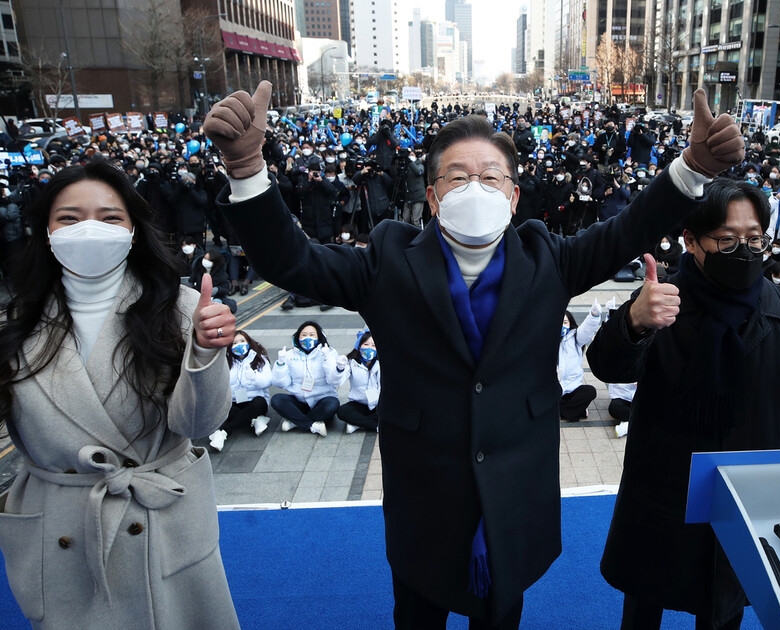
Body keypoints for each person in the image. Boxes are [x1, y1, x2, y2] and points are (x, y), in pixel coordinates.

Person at [204, 82, 744, 629]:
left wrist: (693, 166)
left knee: (501, 617)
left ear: (512, 196)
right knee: (418, 615)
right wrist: (247, 166)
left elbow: (629, 228)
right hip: (425, 494)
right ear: (434, 196)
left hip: (513, 493)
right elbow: (292, 260)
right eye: (458, 177)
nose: (475, 188)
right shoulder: (387, 260)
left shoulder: (548, 259)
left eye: (490, 177)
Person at [586, 178, 780, 630]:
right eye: (728, 240)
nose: (745, 250)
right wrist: (634, 322)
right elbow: (607, 365)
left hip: (749, 487)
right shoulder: (662, 303)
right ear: (691, 241)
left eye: (755, 239)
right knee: (644, 604)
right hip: (665, 486)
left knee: (725, 606)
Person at [0, 158, 239, 628]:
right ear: (45, 232)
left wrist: (206, 353)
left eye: (110, 218)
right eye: (69, 218)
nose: (90, 230)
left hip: (160, 522)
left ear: (134, 229)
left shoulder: (182, 307)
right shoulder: (15, 324)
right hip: (62, 524)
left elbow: (198, 425)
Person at [271, 321, 342, 436]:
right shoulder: (289, 355)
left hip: (322, 400)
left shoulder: (329, 352)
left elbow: (334, 380)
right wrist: (280, 364)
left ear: (319, 336)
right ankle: (312, 424)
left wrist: (328, 359)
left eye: (312, 335)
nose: (307, 338)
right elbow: (281, 384)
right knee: (277, 399)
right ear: (297, 337)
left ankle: (295, 422)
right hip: (299, 400)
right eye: (304, 335)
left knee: (332, 404)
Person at [209, 331, 273, 451]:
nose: (239, 345)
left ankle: (224, 433)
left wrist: (254, 377)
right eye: (234, 343)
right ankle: (254, 420)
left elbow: (268, 381)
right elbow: (219, 383)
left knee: (259, 402)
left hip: (255, 401)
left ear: (249, 342)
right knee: (222, 408)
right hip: (234, 401)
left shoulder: (260, 359)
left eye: (242, 341)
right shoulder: (226, 361)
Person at [558, 301, 603, 421]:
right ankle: (572, 411)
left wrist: (593, 316)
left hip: (572, 388)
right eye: (559, 322)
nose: (562, 325)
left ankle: (560, 410)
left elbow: (586, 330)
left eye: (565, 322)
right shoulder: (546, 339)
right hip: (553, 388)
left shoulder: (575, 338)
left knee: (589, 391)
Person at [334, 330, 381, 433]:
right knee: (342, 411)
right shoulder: (351, 363)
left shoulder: (381, 363)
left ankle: (357, 424)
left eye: (373, 345)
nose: (370, 348)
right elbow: (338, 381)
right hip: (359, 403)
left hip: (377, 403)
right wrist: (339, 369)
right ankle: (374, 425)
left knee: (390, 411)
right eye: (366, 344)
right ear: (359, 347)